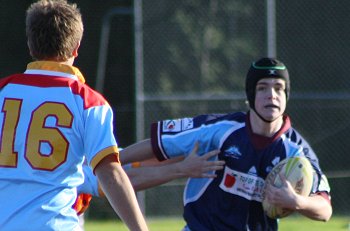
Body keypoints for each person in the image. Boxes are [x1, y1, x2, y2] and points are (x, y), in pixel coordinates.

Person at [119, 57, 332, 231]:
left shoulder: (296, 151)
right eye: (263, 88)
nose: (272, 95)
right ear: (251, 94)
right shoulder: (220, 129)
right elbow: (159, 144)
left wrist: (297, 201)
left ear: (286, 95)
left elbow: (325, 210)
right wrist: (112, 162)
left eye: (279, 88)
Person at [0, 0, 148, 230]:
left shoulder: (3, 91)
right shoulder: (89, 103)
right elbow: (109, 172)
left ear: (30, 45)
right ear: (76, 47)